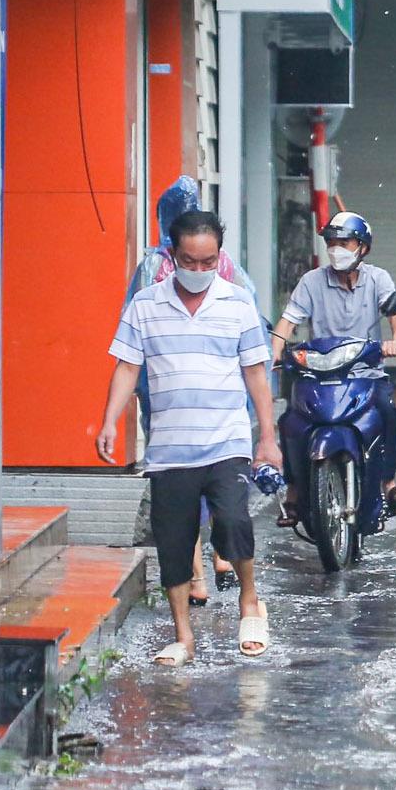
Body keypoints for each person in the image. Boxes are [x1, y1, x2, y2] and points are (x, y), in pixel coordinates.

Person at [96, 210, 280, 666]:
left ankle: (249, 602)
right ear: (171, 255)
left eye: (208, 262)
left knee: (233, 522)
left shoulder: (238, 303)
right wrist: (109, 421)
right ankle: (183, 636)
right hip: (170, 449)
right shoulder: (145, 305)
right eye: (189, 261)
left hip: (226, 441)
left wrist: (267, 438)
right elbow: (127, 367)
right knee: (174, 542)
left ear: (220, 257)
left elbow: (256, 374)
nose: (199, 270)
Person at [128, 176, 260, 604]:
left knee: (205, 490)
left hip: (171, 394)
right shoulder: (220, 264)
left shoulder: (157, 266)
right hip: (192, 395)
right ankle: (214, 563)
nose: (199, 270)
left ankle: (204, 574)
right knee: (193, 492)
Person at [269, 212, 396, 524]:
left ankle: (388, 484)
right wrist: (273, 352)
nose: (336, 249)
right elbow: (287, 321)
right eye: (332, 243)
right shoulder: (311, 281)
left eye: (344, 242)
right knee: (291, 422)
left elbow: (394, 313)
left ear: (362, 247)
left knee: (389, 415)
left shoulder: (378, 278)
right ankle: (293, 493)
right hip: (319, 373)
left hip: (366, 372)